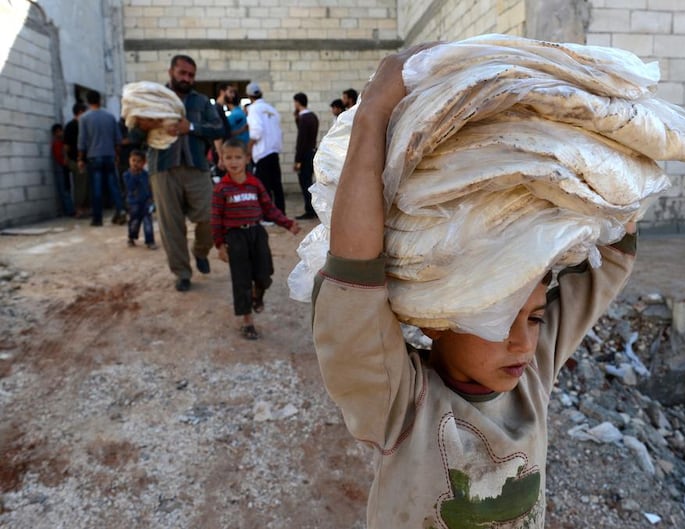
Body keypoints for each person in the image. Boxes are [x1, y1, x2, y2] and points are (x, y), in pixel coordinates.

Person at [311, 46, 638, 528]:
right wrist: (376, 109)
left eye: (534, 317)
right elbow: (354, 279)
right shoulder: (400, 405)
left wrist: (587, 130)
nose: (524, 341)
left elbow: (612, 243)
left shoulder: (531, 375)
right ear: (437, 317)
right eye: (500, 317)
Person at [129, 54, 226, 292]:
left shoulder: (202, 102)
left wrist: (190, 127)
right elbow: (132, 136)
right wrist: (145, 126)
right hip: (163, 169)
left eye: (191, 75)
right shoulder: (153, 99)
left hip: (197, 168)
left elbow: (219, 128)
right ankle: (182, 273)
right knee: (171, 227)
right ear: (171, 72)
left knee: (209, 218)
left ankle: (200, 251)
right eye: (182, 73)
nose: (187, 78)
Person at [211, 139, 300, 340]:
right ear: (222, 160)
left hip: (257, 234)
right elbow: (216, 218)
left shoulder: (254, 183)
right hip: (235, 238)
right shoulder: (221, 189)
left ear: (247, 159)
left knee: (264, 273)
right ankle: (247, 321)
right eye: (228, 158)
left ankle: (257, 294)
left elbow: (269, 208)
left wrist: (287, 223)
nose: (233, 162)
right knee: (241, 279)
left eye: (238, 157)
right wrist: (220, 245)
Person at [77, 90, 125, 227]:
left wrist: (81, 159)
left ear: (87, 101)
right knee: (113, 186)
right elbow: (118, 139)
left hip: (93, 156)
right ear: (100, 100)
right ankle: (120, 211)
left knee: (96, 188)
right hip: (109, 154)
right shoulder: (110, 117)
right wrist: (116, 155)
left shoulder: (84, 118)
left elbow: (82, 141)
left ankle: (97, 218)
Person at [245, 82, 285, 215]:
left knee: (264, 187)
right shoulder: (271, 109)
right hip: (274, 151)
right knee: (276, 185)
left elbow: (256, 131)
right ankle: (280, 213)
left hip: (262, 153)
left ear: (249, 96)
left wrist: (248, 149)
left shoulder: (254, 109)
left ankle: (268, 217)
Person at [292, 92, 319, 220]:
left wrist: (298, 160)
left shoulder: (304, 118)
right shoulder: (312, 116)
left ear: (297, 102)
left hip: (305, 154)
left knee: (305, 182)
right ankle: (312, 208)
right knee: (308, 181)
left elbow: (301, 141)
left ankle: (309, 209)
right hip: (312, 151)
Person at [122, 150, 157, 250]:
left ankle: (150, 241)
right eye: (133, 161)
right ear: (129, 161)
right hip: (133, 204)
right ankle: (131, 238)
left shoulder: (146, 174)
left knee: (148, 223)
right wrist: (134, 175)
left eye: (139, 161)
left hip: (146, 202)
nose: (136, 164)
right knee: (134, 223)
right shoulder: (127, 175)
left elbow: (149, 187)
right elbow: (129, 187)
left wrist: (152, 200)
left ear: (144, 163)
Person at [64, 102, 89, 219]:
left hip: (83, 160)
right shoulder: (71, 126)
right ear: (79, 112)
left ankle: (83, 208)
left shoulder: (83, 125)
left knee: (84, 185)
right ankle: (79, 209)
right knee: (80, 186)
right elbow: (67, 146)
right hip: (76, 160)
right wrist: (68, 160)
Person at [211, 82, 235, 179]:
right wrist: (221, 157)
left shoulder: (220, 109)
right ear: (222, 92)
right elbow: (217, 136)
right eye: (230, 92)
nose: (232, 95)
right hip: (221, 154)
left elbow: (225, 133)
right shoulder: (216, 110)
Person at [51, 124, 75, 217]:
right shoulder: (57, 144)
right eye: (59, 131)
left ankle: (69, 209)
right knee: (65, 190)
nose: (61, 133)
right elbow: (59, 158)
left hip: (63, 168)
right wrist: (65, 163)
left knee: (66, 189)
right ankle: (70, 210)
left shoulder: (61, 143)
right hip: (61, 169)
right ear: (55, 133)